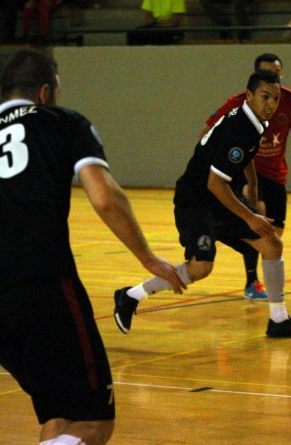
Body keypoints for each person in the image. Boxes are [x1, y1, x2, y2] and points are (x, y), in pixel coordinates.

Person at [0, 49, 185, 445]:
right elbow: (104, 198)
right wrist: (147, 257)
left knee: (58, 413)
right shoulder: (62, 123)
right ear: (46, 91)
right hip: (41, 283)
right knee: (93, 422)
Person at [114, 69, 291, 339]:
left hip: (219, 199)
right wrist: (249, 216)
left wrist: (253, 186)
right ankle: (131, 296)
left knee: (271, 244)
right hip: (197, 201)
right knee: (201, 268)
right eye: (264, 96)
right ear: (249, 95)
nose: (270, 104)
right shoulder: (240, 128)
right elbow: (214, 183)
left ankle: (279, 320)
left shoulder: (255, 121)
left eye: (275, 98)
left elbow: (245, 157)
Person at [198, 54, 291, 301]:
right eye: (268, 72)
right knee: (257, 225)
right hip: (246, 172)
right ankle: (253, 282)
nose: (274, 76)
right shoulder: (238, 103)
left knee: (275, 233)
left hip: (276, 174)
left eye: (278, 72)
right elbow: (208, 130)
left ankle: (262, 280)